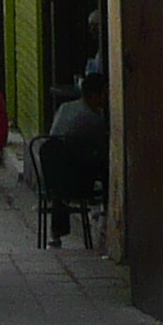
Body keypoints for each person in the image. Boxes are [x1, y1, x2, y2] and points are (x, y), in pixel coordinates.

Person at [38, 80, 108, 245]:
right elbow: (103, 149)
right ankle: (107, 212)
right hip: (76, 182)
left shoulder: (64, 108)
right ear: (94, 96)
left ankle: (56, 234)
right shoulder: (93, 119)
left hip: (50, 178)